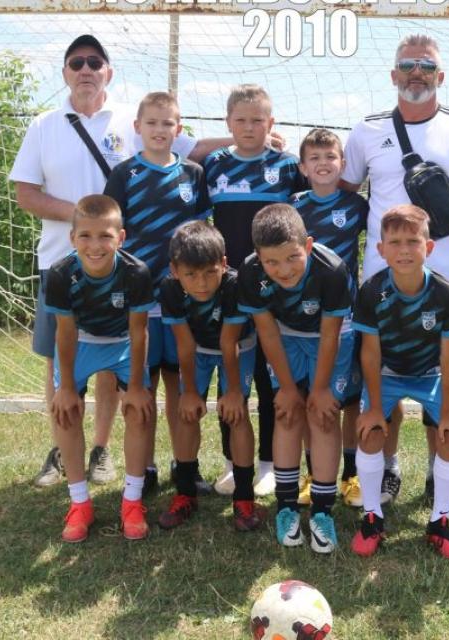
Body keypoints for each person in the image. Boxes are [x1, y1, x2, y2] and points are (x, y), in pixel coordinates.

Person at [10, 34, 227, 488]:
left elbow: (187, 148)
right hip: (62, 261)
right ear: (65, 72)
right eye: (76, 63)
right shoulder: (44, 125)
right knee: (59, 360)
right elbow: (25, 194)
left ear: (108, 71)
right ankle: (60, 449)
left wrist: (251, 135)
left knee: (116, 362)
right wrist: (89, 224)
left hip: (127, 274)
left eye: (94, 62)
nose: (85, 69)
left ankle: (103, 449)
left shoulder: (131, 120)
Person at [340, 33, 449, 503]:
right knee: (383, 379)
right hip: (381, 281)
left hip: (444, 281)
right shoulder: (366, 130)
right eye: (408, 65)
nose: (417, 73)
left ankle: (437, 472)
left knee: (445, 380)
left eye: (426, 66)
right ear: (393, 74)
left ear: (440, 76)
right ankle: (388, 469)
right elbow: (342, 192)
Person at [103, 91, 212, 497]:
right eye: (151, 122)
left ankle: (186, 467)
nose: (159, 130)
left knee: (182, 387)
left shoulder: (193, 174)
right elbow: (111, 235)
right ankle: (143, 468)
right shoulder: (124, 174)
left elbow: (201, 233)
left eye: (168, 123)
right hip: (140, 301)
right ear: (137, 127)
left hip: (182, 301)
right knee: (142, 388)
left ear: (178, 129)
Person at [203, 84, 308, 498]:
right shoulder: (213, 164)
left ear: (272, 123)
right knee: (230, 374)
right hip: (227, 286)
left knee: (270, 376)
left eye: (258, 120)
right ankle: (233, 462)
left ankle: (269, 464)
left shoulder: (287, 166)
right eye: (241, 120)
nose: (249, 127)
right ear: (228, 123)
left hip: (273, 285)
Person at [350, 204, 449, 562]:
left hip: (430, 374)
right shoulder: (371, 291)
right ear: (380, 249)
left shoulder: (446, 293)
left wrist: (447, 412)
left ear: (428, 247)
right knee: (370, 432)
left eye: (413, 241)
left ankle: (440, 523)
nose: (404, 250)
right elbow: (370, 353)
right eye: (395, 242)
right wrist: (374, 408)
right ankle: (372, 519)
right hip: (387, 373)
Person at [238, 204, 354, 554]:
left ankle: (322, 512)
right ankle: (286, 508)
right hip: (285, 336)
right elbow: (267, 332)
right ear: (258, 256)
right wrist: (288, 388)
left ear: (308, 244)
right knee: (287, 413)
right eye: (272, 262)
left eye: (292, 257)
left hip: (329, 338)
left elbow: (331, 334)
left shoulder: (332, 270)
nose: (284, 270)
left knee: (323, 416)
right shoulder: (250, 273)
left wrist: (319, 389)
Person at [44, 194, 155, 542]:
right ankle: (80, 504)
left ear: (120, 238)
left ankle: (132, 502)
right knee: (65, 411)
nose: (95, 245)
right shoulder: (61, 274)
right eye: (85, 236)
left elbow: (139, 331)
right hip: (82, 342)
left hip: (122, 342)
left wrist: (135, 386)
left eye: (105, 236)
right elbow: (65, 332)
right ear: (72, 238)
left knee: (139, 409)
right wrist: (65, 387)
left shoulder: (136, 272)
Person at [156, 221, 266, 532]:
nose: (202, 283)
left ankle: (244, 498)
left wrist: (233, 392)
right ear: (175, 271)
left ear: (224, 264)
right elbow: (184, 343)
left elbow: (229, 342)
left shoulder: (234, 285)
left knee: (237, 414)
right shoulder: (169, 289)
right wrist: (189, 391)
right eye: (191, 274)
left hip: (239, 347)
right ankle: (185, 493)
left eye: (209, 272)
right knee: (187, 413)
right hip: (198, 349)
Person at [290, 128, 368, 509]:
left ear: (343, 164)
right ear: (303, 167)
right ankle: (311, 474)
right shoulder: (294, 207)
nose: (323, 164)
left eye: (330, 157)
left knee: (350, 399)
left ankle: (351, 475)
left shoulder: (357, 206)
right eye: (315, 158)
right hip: (305, 319)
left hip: (348, 317)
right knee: (311, 396)